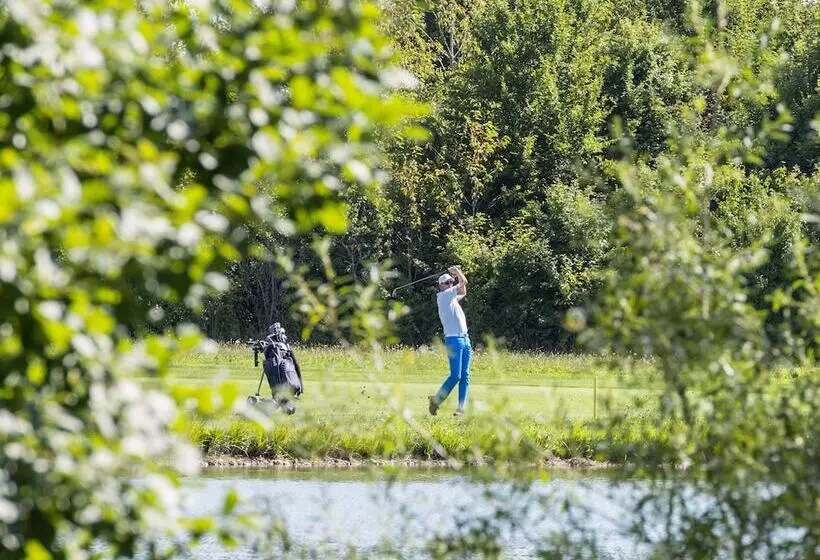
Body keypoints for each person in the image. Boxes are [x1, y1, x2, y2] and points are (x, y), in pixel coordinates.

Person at [428, 265, 471, 417]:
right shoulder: (443, 296)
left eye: (451, 282)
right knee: (455, 376)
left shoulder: (452, 299)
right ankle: (436, 400)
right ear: (441, 286)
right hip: (454, 340)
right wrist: (458, 272)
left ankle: (461, 408)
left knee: (465, 375)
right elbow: (463, 282)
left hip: (465, 339)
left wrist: (457, 273)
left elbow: (463, 291)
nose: (450, 284)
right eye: (447, 283)